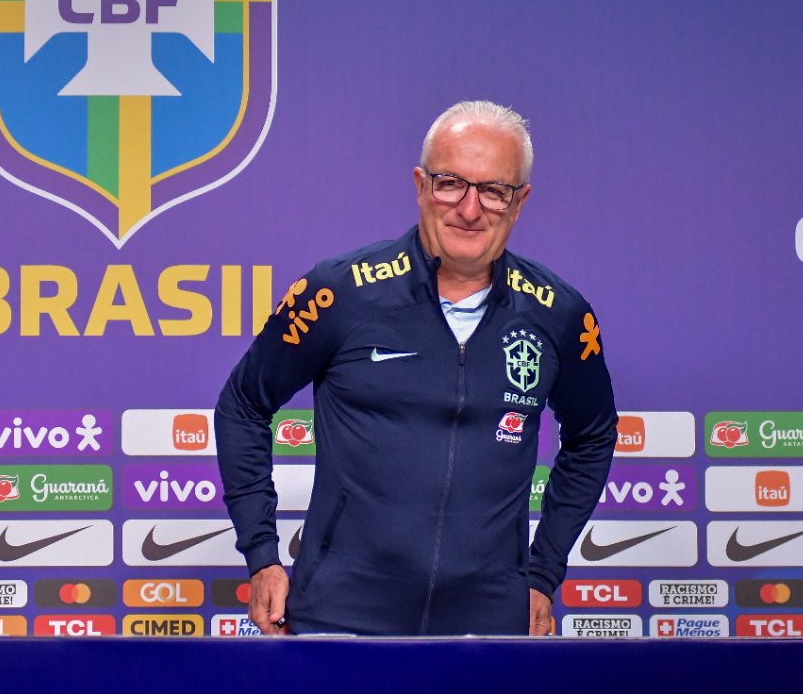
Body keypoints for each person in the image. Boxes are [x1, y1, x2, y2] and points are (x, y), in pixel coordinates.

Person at [214, 101, 617, 636]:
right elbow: (243, 404)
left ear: (519, 202)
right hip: (340, 614)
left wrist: (542, 573)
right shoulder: (340, 292)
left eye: (493, 191)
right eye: (451, 183)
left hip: (489, 622)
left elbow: (593, 435)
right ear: (421, 184)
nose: (469, 210)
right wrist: (262, 555)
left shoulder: (558, 313)